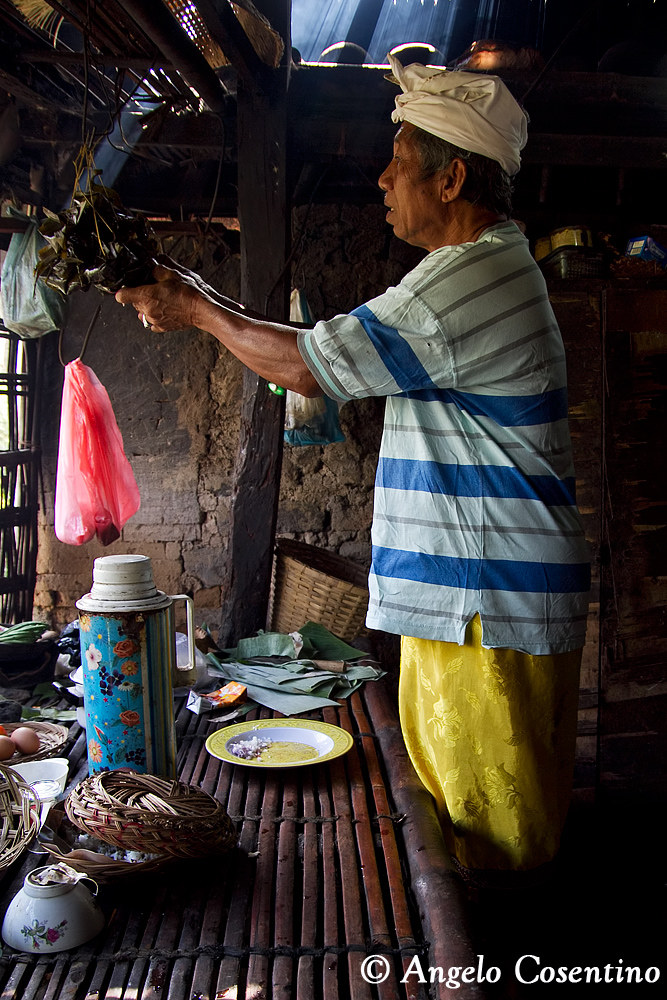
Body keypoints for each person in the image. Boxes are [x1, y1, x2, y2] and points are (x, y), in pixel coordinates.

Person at [116, 55, 590, 886]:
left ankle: (499, 962)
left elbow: (309, 366)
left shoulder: (470, 280)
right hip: (475, 596)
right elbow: (320, 354)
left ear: (451, 180)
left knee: (489, 836)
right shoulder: (478, 271)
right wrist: (198, 298)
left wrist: (194, 305)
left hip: (481, 601)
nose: (382, 177)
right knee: (468, 816)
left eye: (399, 160)